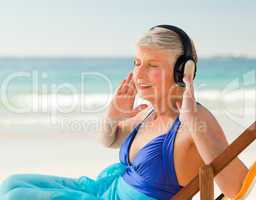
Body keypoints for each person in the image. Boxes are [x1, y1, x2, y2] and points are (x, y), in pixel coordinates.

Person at [0, 25, 248, 200]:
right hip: (101, 190)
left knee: (17, 197)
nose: (139, 75)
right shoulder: (148, 114)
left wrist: (192, 121)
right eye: (137, 63)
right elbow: (107, 139)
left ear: (182, 71)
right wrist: (114, 115)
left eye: (152, 66)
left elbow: (236, 187)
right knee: (10, 184)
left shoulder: (195, 120)